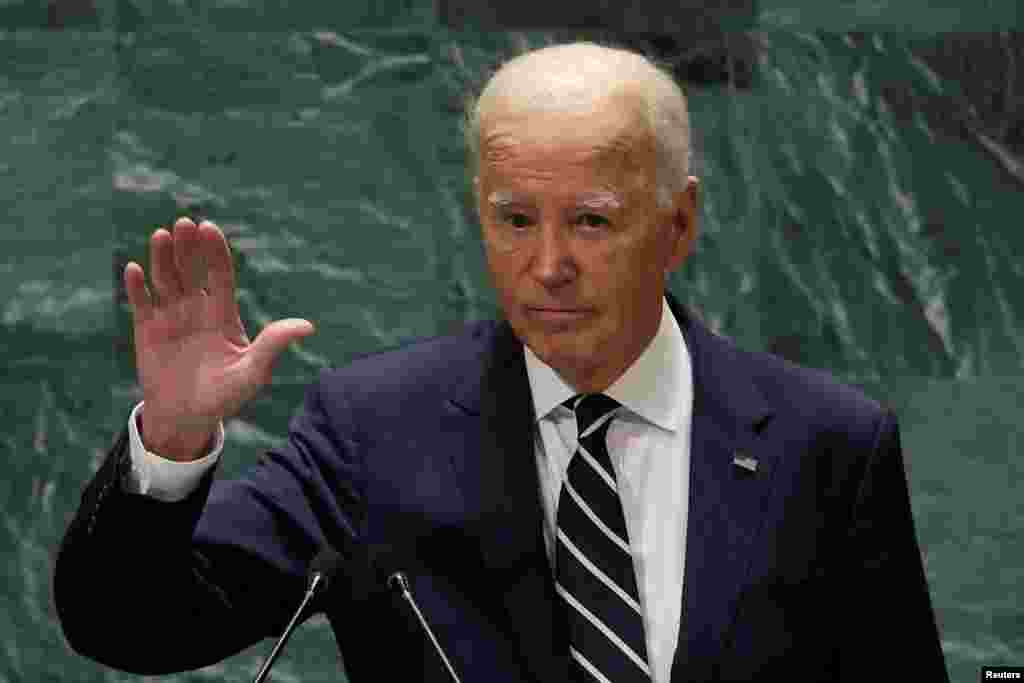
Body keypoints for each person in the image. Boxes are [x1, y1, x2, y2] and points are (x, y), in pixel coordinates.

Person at [53, 41, 948, 682]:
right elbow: (135, 627)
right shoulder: (376, 430)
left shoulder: (826, 444)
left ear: (679, 224)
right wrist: (171, 436)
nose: (548, 264)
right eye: (516, 220)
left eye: (591, 221)